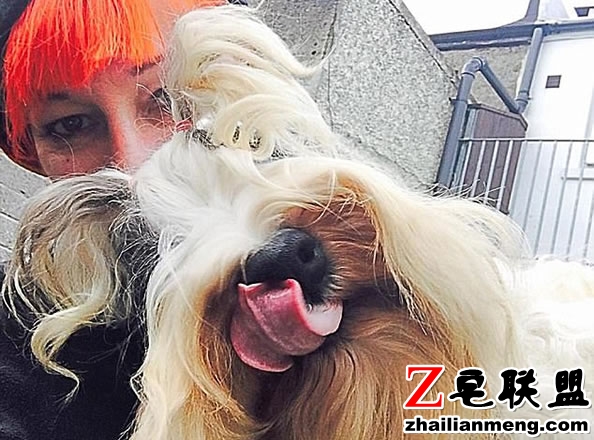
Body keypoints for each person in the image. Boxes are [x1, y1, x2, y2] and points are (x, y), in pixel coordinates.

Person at [0, 0, 244, 438]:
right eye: (70, 125)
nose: (133, 169)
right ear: (32, 149)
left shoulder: (353, 271)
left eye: (167, 98)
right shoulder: (12, 346)